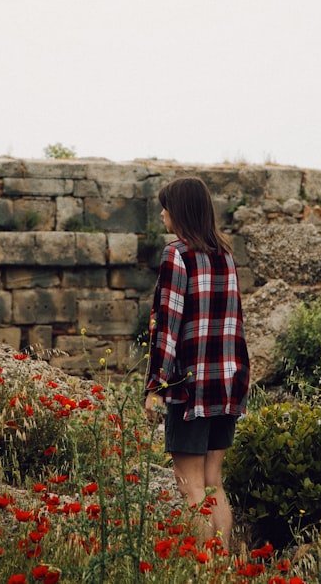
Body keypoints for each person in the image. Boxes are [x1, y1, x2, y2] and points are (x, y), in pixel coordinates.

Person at [143, 176, 250, 543]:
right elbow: (236, 326)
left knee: (190, 488)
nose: (161, 213)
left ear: (180, 211)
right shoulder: (226, 255)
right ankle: (223, 566)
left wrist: (154, 387)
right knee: (212, 482)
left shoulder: (177, 255)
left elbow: (167, 327)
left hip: (190, 391)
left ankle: (205, 571)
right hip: (226, 387)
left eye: (166, 206)